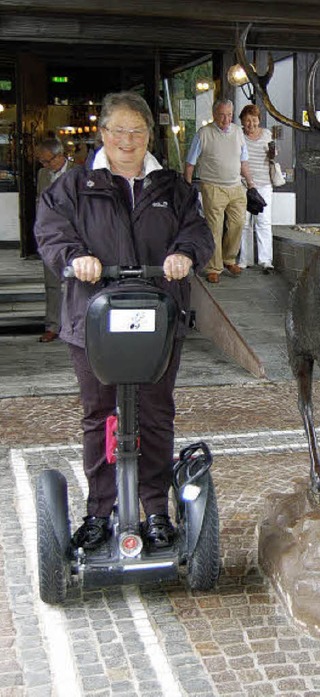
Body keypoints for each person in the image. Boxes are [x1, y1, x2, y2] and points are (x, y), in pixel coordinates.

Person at [34, 91, 214, 551]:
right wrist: (76, 259)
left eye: (137, 131)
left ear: (149, 135)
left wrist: (184, 255)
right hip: (92, 322)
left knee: (155, 414)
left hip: (157, 321)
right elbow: (52, 234)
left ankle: (154, 507)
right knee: (98, 415)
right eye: (118, 130)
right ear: (103, 133)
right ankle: (99, 509)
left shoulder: (174, 187)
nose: (127, 140)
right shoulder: (73, 185)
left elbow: (197, 231)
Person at [184, 98, 255, 284]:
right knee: (214, 228)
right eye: (222, 115)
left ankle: (229, 259)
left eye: (229, 115)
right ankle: (213, 267)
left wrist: (251, 184)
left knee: (238, 223)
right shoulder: (203, 134)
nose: (226, 119)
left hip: (236, 186)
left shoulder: (239, 132)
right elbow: (190, 163)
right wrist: (186, 187)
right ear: (214, 115)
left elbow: (244, 162)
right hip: (213, 186)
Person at [34, 137, 78, 342]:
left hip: (74, 235)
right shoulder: (43, 175)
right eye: (42, 161)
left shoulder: (78, 173)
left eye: (48, 160)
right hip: (51, 236)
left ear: (60, 155)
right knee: (52, 282)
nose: (45, 165)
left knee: (77, 281)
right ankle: (53, 325)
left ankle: (76, 325)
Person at [238, 104, 275, 274]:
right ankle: (245, 259)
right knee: (244, 222)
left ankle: (266, 260)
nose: (251, 124)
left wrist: (273, 153)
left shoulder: (267, 134)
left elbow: (272, 155)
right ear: (242, 122)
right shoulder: (238, 135)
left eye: (254, 120)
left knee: (263, 222)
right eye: (247, 121)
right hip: (243, 184)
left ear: (259, 120)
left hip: (264, 184)